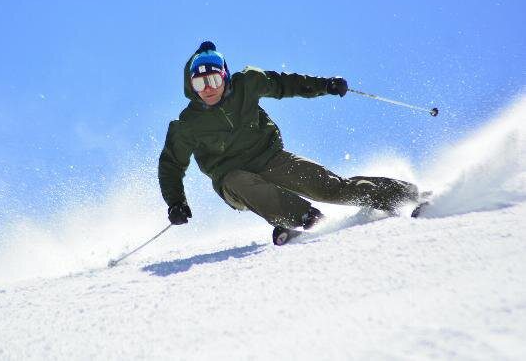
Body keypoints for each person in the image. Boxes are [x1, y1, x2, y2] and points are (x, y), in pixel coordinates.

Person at [158, 41, 419, 245]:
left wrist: (324, 85)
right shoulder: (186, 124)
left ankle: (405, 195)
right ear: (191, 85)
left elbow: (285, 84)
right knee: (240, 179)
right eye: (199, 82)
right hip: (232, 179)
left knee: (330, 187)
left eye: (213, 79)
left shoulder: (248, 83)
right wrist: (176, 202)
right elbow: (171, 164)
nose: (207, 88)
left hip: (271, 158)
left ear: (225, 77)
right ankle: (306, 217)